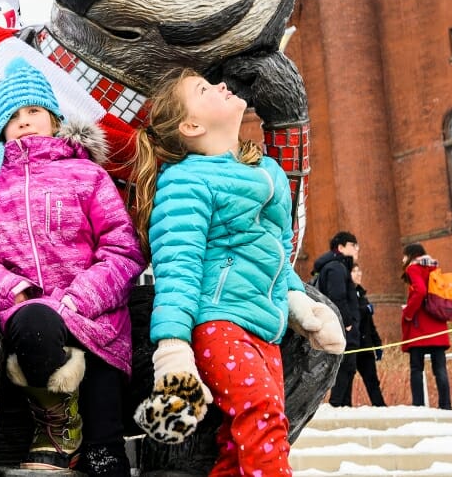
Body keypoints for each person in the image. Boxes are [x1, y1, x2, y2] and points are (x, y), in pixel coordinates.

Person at [129, 68, 345, 477]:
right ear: (190, 125)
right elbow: (178, 269)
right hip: (220, 324)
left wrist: (298, 304)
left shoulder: (268, 173)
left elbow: (278, 254)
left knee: (236, 442)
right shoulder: (185, 181)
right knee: (262, 416)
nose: (222, 86)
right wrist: (173, 346)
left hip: (266, 331)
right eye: (204, 89)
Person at [0, 57, 146, 475]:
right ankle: (60, 426)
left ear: (55, 120)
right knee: (35, 322)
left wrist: (79, 299)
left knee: (105, 454)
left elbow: (122, 248)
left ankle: (99, 447)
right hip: (26, 312)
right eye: (13, 116)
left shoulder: (86, 174)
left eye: (34, 111)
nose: (24, 121)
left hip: (95, 318)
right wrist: (9, 288)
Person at [312, 231, 361, 407]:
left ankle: (345, 407)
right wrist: (347, 323)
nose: (357, 249)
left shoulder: (340, 267)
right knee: (344, 369)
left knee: (349, 369)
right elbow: (337, 297)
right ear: (340, 247)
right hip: (342, 330)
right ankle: (337, 406)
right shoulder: (335, 268)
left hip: (346, 330)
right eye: (353, 245)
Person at [401, 243, 452, 409]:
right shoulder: (435, 268)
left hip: (420, 328)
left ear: (411, 255)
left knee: (416, 368)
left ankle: (419, 406)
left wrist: (408, 312)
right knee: (440, 369)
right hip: (438, 325)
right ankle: (445, 405)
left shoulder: (413, 268)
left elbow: (420, 291)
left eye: (404, 255)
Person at [351, 263, 387, 406]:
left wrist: (377, 345)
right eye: (354, 271)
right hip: (352, 347)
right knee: (345, 384)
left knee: (373, 382)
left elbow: (370, 326)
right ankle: (341, 412)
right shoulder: (346, 296)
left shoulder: (362, 295)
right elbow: (350, 315)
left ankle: (382, 410)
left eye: (359, 270)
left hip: (365, 347)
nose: (359, 274)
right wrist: (365, 310)